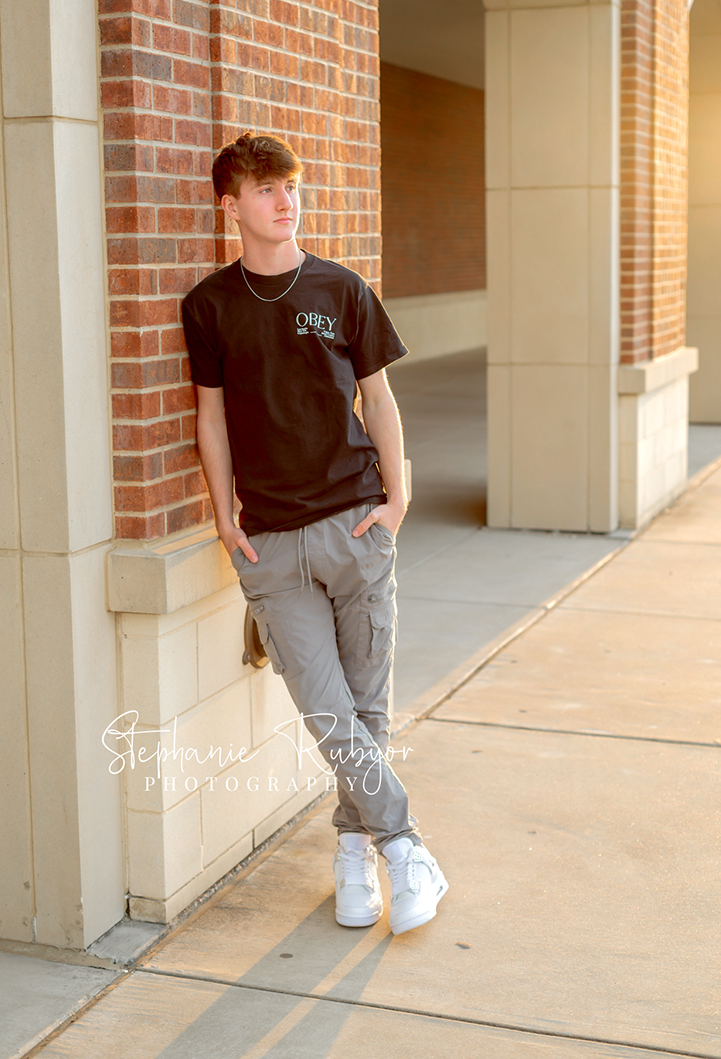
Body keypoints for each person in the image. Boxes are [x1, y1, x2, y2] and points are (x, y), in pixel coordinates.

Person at [181, 132, 447, 935]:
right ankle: (403, 845)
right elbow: (212, 416)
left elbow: (381, 398)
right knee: (332, 716)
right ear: (230, 205)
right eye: (266, 189)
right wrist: (224, 512)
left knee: (365, 711)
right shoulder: (210, 306)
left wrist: (397, 501)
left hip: (353, 524)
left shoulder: (341, 289)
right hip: (271, 546)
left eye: (291, 186)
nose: (285, 200)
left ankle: (351, 855)